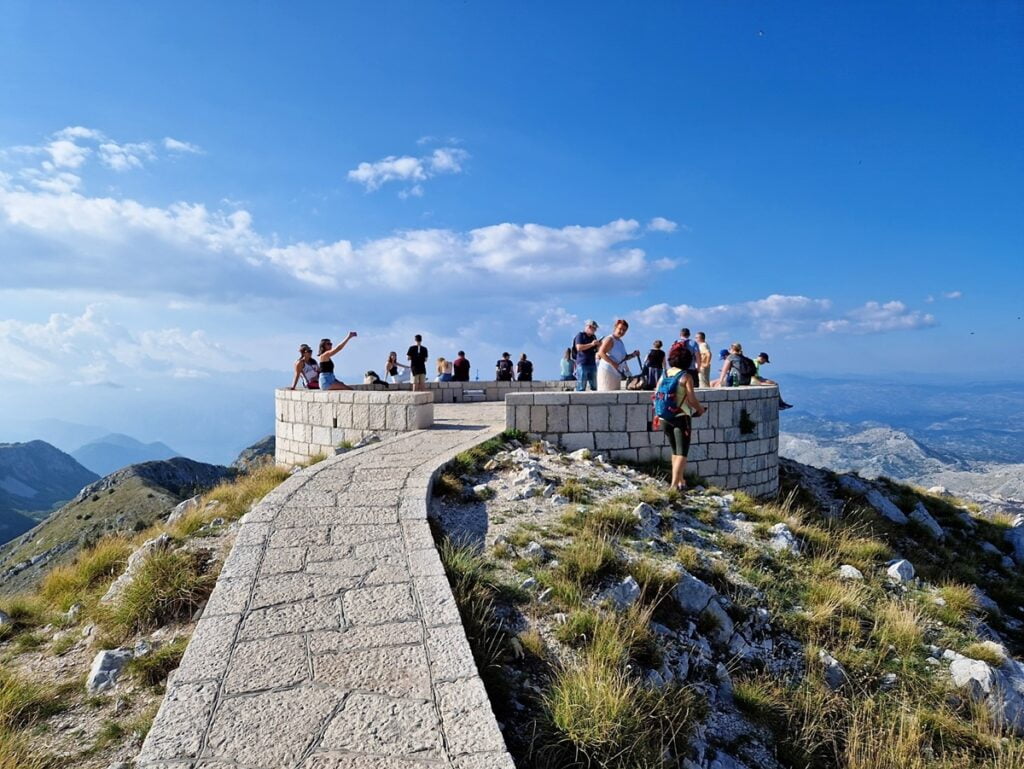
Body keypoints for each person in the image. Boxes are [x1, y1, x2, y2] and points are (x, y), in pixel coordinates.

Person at [654, 342, 705, 491]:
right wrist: (700, 410)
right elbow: (691, 399)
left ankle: (680, 480)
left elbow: (656, 393)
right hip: (681, 417)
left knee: (674, 450)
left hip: (664, 417)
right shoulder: (685, 376)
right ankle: (674, 485)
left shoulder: (664, 374)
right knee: (682, 451)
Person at [596, 319, 641, 391]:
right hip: (607, 371)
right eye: (620, 329)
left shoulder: (620, 341)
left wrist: (633, 355)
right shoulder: (610, 339)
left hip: (616, 372)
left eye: (624, 330)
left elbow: (624, 358)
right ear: (615, 328)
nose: (622, 331)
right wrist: (613, 363)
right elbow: (601, 352)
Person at [573, 320, 601, 391]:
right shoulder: (580, 335)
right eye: (594, 328)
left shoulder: (593, 337)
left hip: (592, 363)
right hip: (582, 363)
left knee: (594, 385)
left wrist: (598, 345)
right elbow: (579, 347)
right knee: (581, 385)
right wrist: (591, 344)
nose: (595, 330)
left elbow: (596, 350)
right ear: (589, 327)